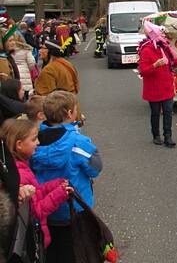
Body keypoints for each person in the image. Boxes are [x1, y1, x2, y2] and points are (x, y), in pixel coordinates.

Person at [31, 90, 102, 263]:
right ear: (70, 113)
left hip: (45, 208)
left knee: (53, 251)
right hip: (74, 209)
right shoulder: (78, 143)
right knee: (77, 251)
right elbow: (95, 168)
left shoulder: (32, 140)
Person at [0, 118, 71, 249]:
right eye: (33, 139)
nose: (38, 143)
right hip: (33, 240)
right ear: (19, 144)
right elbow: (35, 212)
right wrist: (60, 193)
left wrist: (55, 184)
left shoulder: (19, 167)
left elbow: (36, 192)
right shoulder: (19, 175)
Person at [138, 21, 177, 147]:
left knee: (168, 112)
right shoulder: (146, 50)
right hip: (154, 88)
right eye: (162, 34)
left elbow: (171, 62)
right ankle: (156, 135)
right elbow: (143, 70)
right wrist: (155, 65)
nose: (164, 36)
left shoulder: (163, 48)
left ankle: (168, 136)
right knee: (155, 113)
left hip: (166, 87)